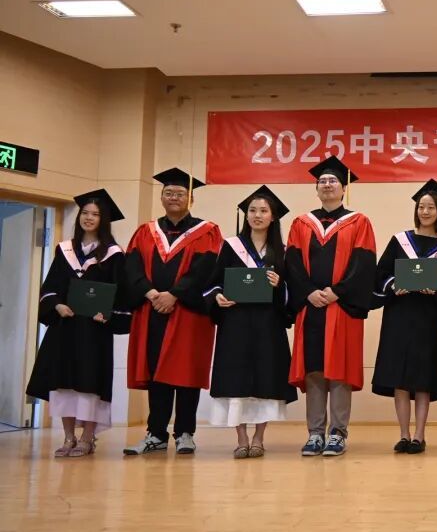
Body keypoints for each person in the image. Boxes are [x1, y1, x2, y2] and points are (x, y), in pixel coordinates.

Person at [123, 169, 221, 456]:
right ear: (162, 197)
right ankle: (156, 433)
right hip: (152, 310)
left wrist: (174, 294)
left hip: (188, 313)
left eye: (180, 193)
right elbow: (131, 267)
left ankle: (185, 433)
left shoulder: (207, 231)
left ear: (190, 198)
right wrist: (151, 293)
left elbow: (205, 269)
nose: (174, 197)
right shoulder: (145, 231)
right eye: (168, 193)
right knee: (156, 373)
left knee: (186, 372)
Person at [285, 156, 377, 457]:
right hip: (310, 306)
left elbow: (364, 264)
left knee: (339, 370)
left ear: (343, 188)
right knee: (314, 370)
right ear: (316, 188)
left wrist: (338, 292)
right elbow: (292, 263)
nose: (327, 185)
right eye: (322, 181)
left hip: (342, 308)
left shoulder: (359, 222)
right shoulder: (301, 223)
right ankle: (315, 433)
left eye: (333, 181)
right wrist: (308, 292)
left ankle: (337, 433)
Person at [27, 190, 130, 457]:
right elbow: (50, 286)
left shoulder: (114, 254)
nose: (89, 218)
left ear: (103, 220)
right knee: (64, 384)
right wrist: (56, 305)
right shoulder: (65, 250)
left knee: (89, 383)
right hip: (66, 327)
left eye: (95, 214)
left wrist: (106, 314)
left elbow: (121, 293)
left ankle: (87, 437)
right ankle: (69, 436)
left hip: (94, 330)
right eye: (85, 213)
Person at [204, 186, 297, 458]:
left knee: (265, 379)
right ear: (246, 215)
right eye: (252, 210)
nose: (257, 215)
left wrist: (279, 285)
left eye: (263, 211)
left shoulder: (283, 251)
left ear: (273, 217)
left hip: (268, 325)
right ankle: (241, 438)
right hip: (236, 323)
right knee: (237, 379)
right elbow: (213, 283)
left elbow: (292, 291)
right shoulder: (231, 246)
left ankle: (259, 438)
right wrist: (218, 296)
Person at [371, 179, 437, 454]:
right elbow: (380, 274)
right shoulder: (400, 241)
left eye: (431, 207)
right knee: (399, 377)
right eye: (421, 206)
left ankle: (419, 435)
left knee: (422, 378)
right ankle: (404, 434)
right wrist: (394, 285)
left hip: (427, 318)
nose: (425, 211)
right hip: (399, 315)